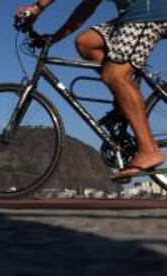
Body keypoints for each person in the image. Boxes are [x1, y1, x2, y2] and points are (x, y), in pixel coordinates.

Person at [16, 0, 167, 180]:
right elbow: (86, 8)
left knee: (115, 75)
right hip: (132, 16)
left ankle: (149, 150)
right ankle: (124, 100)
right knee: (86, 42)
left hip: (151, 12)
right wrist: (54, 38)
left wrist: (36, 8)